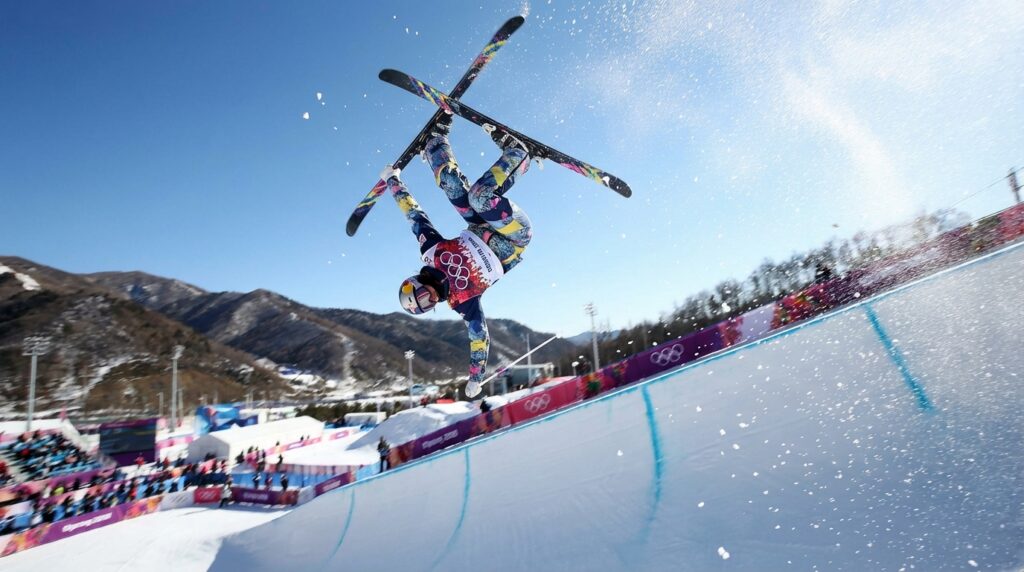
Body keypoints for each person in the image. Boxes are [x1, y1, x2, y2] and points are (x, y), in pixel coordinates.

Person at [382, 115, 534, 399]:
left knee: (452, 184)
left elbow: (414, 215)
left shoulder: (432, 253)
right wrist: (476, 377)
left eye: (423, 296)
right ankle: (519, 155)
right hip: (515, 236)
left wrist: (394, 182)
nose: (432, 299)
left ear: (416, 282)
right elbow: (479, 339)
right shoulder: (463, 303)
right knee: (480, 197)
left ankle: (435, 142)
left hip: (480, 226)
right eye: (428, 306)